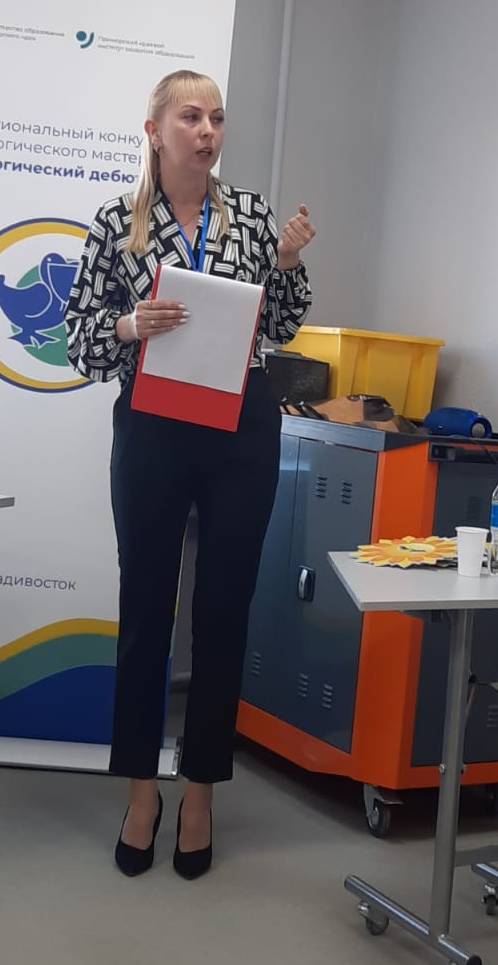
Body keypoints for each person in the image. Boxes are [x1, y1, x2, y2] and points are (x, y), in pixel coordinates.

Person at [66, 70, 315, 878]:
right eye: (190, 117)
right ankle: (142, 792)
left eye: (217, 118)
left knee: (223, 610)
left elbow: (282, 326)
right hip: (153, 427)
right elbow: (78, 341)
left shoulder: (251, 217)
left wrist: (286, 262)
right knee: (146, 608)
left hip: (240, 426)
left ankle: (201, 790)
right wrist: (130, 324)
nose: (207, 131)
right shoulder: (118, 221)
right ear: (155, 130)